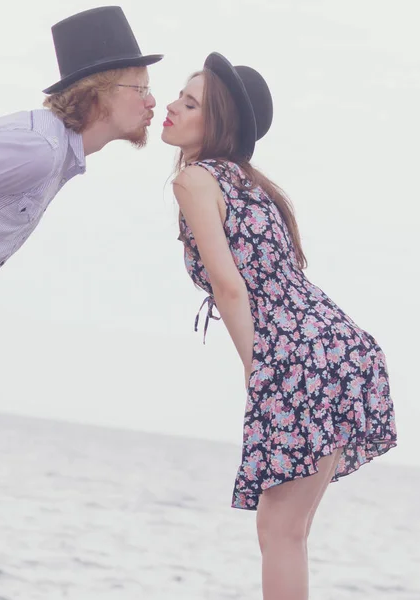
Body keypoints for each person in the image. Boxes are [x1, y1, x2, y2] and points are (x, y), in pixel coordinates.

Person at [161, 52, 397, 600]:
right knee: (289, 531)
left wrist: (258, 372)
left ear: (217, 124)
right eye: (179, 95)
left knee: (279, 532)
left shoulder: (195, 180)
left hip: (298, 356)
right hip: (342, 348)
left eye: (190, 103)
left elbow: (231, 286)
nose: (171, 106)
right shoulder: (249, 183)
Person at [0, 6, 162, 297]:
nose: (152, 101)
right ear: (98, 92)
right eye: (140, 88)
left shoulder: (55, 153)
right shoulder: (40, 149)